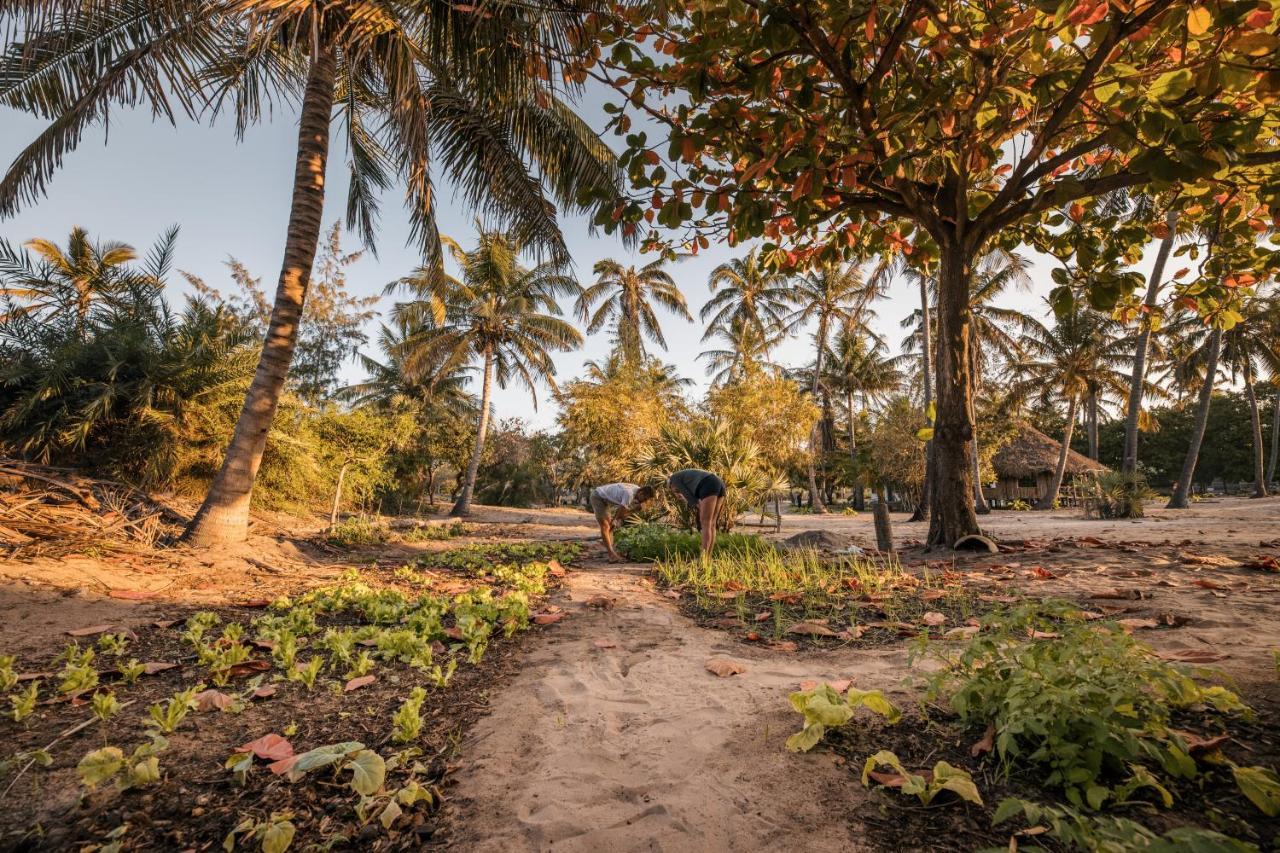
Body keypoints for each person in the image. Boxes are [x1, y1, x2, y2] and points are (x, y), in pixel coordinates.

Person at [590, 482, 655, 562]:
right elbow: (622, 513)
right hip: (598, 496)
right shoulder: (629, 494)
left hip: (604, 500)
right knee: (606, 526)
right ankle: (611, 554)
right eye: (644, 499)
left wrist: (615, 520)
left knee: (611, 526)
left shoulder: (636, 489)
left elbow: (622, 513)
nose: (643, 501)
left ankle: (611, 551)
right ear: (641, 492)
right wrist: (633, 510)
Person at [667, 468, 726, 554]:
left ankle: (703, 558)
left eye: (675, 491)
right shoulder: (684, 477)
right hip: (719, 483)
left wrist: (699, 507)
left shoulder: (674, 479)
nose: (676, 493)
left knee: (705, 523)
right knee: (711, 524)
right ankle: (707, 558)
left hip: (709, 484)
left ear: (671, 485)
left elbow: (690, 498)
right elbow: (691, 496)